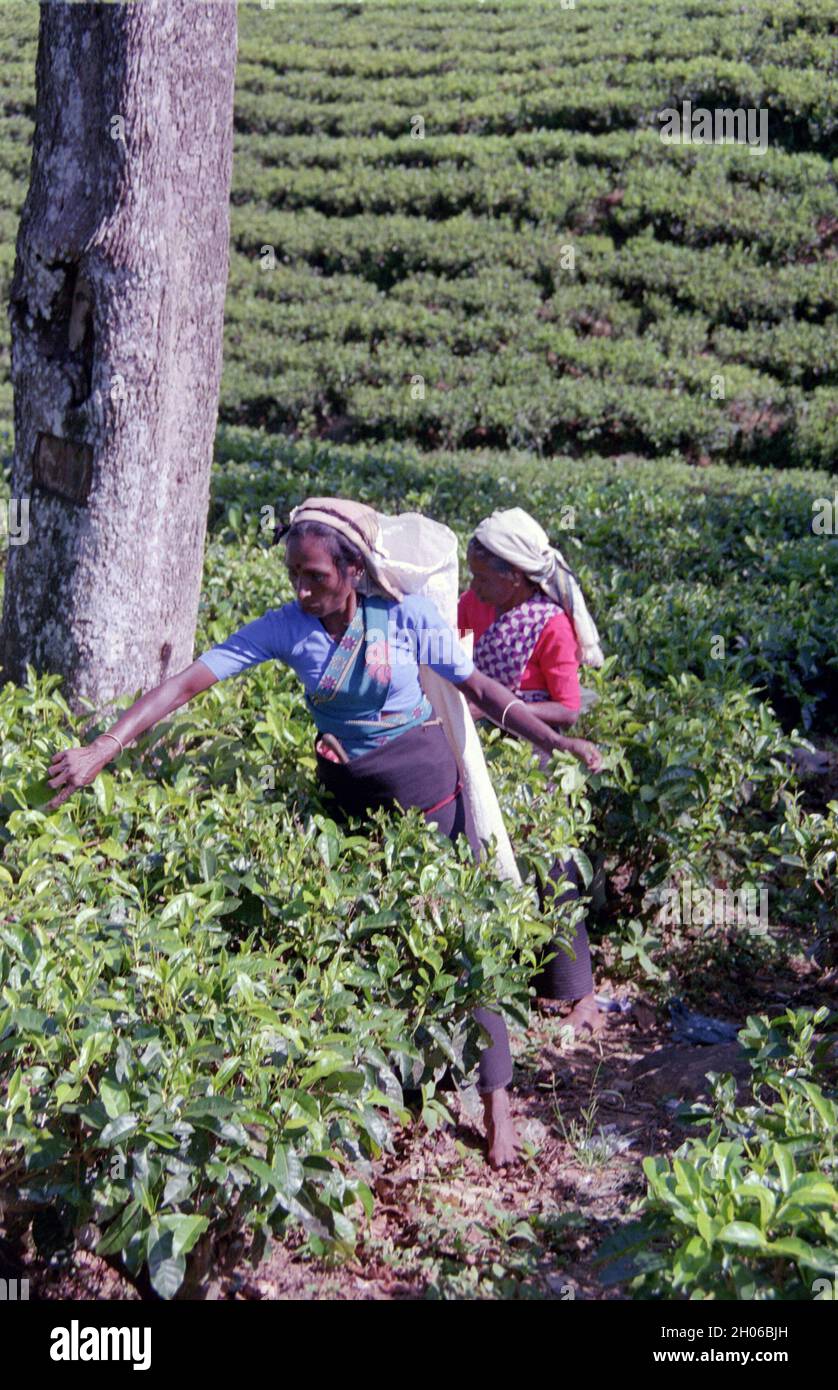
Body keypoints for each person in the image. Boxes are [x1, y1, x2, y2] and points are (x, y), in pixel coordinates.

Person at [47, 496, 602, 1169]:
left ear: (355, 571)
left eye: (316, 577)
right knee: (362, 945)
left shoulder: (402, 617)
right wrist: (106, 744)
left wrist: (553, 739)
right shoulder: (287, 628)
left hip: (429, 798)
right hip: (348, 806)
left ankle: (497, 1106)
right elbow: (187, 684)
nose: (303, 590)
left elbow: (477, 687)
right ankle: (386, 1095)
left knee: (458, 946)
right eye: (295, 577)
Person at [457, 506, 605, 1037]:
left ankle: (574, 990)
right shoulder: (475, 604)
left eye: (480, 575)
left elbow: (568, 708)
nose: (472, 585)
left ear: (514, 577)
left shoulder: (550, 625)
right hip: (487, 750)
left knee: (554, 867)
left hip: (538, 757)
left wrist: (496, 709)